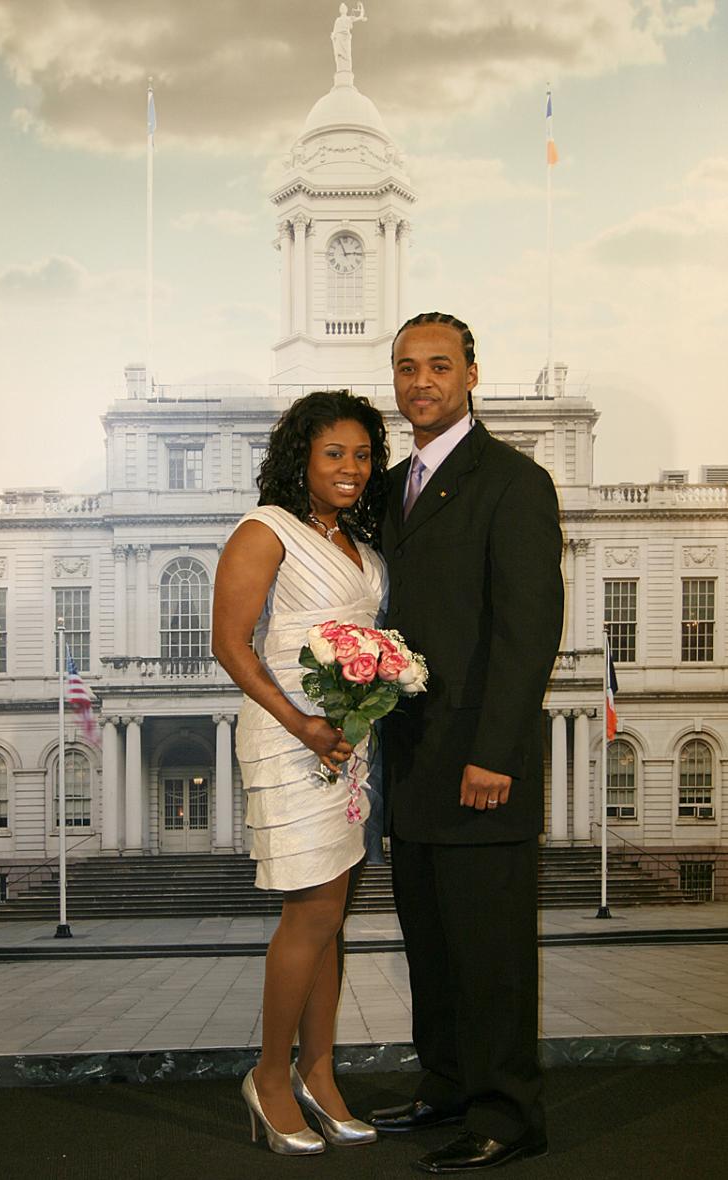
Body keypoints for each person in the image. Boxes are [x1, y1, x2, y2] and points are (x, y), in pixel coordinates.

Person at [369, 312, 564, 1173]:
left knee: (490, 955)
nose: (421, 383)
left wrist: (497, 753)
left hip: (482, 764)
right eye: (407, 368)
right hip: (411, 761)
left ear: (473, 374)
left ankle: (507, 1113)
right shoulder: (388, 487)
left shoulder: (514, 483)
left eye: (439, 366)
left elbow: (529, 632)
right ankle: (445, 1085)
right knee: (434, 947)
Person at [212, 390, 388, 1156]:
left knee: (330, 916)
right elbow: (231, 645)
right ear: (302, 460)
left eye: (362, 454)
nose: (351, 468)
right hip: (292, 738)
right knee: (310, 912)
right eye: (334, 453)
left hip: (348, 744)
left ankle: (320, 1074)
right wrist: (304, 726)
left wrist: (356, 714)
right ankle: (270, 1077)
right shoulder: (266, 530)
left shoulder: (362, 546)